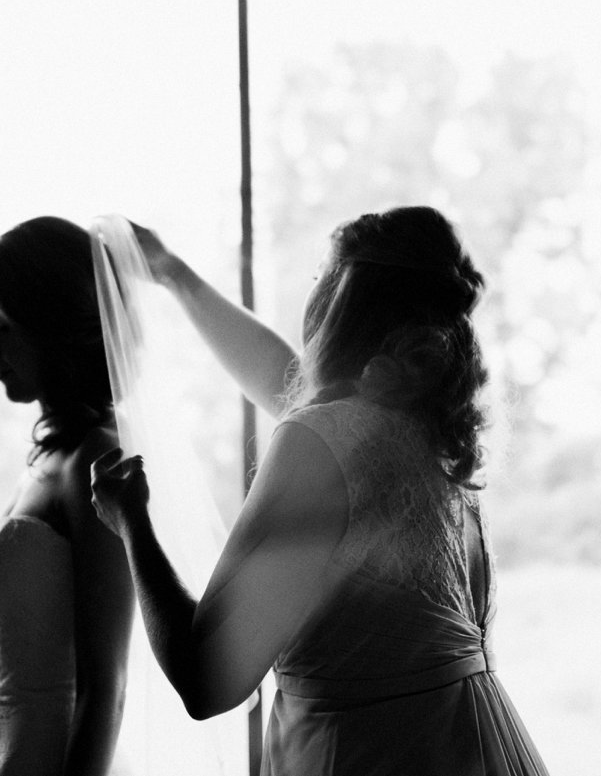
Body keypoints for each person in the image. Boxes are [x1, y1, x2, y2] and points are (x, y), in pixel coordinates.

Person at [89, 206, 548, 775]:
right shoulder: (430, 435)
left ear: (342, 301)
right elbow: (282, 376)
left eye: (320, 278)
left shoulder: (323, 441)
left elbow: (208, 679)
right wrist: (173, 273)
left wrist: (132, 521)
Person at [0, 216, 134, 776]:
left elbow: (106, 686)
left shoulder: (96, 460)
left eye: (1, 323)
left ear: (51, 327)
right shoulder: (48, 457)